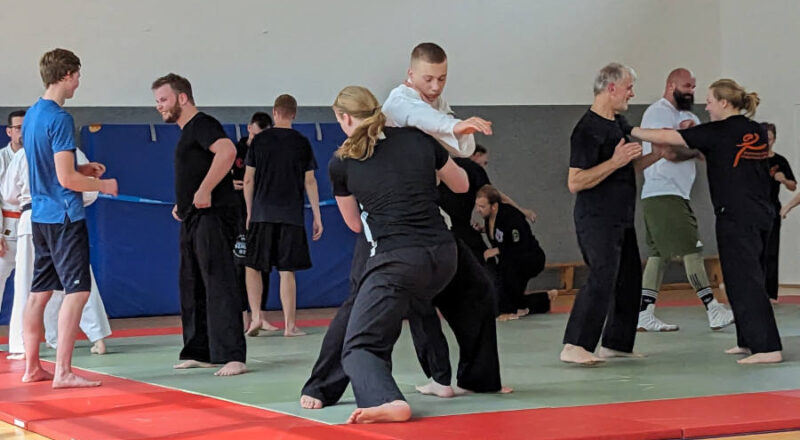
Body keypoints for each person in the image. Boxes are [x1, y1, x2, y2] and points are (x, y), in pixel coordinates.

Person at [300, 43, 509, 409]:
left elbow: (454, 161)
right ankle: (321, 386)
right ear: (410, 76)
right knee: (364, 311)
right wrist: (456, 130)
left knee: (472, 291)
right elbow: (443, 143)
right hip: (385, 237)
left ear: (344, 118)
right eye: (428, 78)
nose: (435, 85)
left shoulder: (419, 124)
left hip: (426, 231)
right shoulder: (400, 106)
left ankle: (470, 378)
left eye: (441, 79)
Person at [328, 85, 467, 424]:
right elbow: (461, 184)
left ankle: (387, 399)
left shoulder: (342, 161)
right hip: (444, 256)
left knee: (358, 345)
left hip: (398, 260)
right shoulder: (419, 140)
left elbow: (355, 226)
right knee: (408, 305)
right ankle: (442, 376)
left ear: (345, 118)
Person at [632, 78, 783, 364]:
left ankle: (768, 348)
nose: (707, 106)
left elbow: (668, 138)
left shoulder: (718, 132)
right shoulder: (756, 131)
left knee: (747, 280)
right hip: (756, 213)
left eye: (711, 101)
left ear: (724, 103)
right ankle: (748, 340)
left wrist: (629, 129)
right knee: (737, 279)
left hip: (738, 215)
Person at [21, 48, 118, 388]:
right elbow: (66, 180)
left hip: (41, 217)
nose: (79, 81)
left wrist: (81, 168)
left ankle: (32, 367)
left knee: (39, 293)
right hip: (64, 215)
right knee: (77, 292)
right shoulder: (60, 118)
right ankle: (62, 371)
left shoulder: (33, 114)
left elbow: (53, 168)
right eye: (77, 75)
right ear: (65, 75)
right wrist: (101, 183)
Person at [561, 63, 660, 365]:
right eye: (629, 87)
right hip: (596, 219)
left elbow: (625, 167)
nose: (633, 92)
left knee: (629, 278)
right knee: (602, 276)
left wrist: (657, 154)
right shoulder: (586, 129)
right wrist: (616, 161)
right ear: (611, 87)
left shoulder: (618, 122)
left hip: (621, 216)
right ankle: (575, 344)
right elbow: (575, 182)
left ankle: (617, 342)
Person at [152, 73, 246, 376]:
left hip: (214, 218)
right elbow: (197, 171)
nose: (159, 107)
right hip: (193, 218)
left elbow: (228, 151)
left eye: (163, 100)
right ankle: (200, 350)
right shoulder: (186, 133)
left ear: (182, 98)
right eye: (156, 102)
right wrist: (186, 201)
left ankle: (233, 355)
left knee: (219, 283)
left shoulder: (203, 124)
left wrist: (204, 190)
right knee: (192, 284)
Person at [636, 68, 734, 332]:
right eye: (687, 86)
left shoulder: (690, 117)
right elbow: (667, 152)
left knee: (658, 255)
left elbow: (704, 150)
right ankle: (713, 308)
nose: (691, 91)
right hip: (662, 191)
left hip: (675, 192)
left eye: (694, 86)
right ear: (671, 85)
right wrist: (691, 148)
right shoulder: (658, 113)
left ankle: (644, 313)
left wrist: (694, 142)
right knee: (693, 249)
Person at [242, 94, 322, 337]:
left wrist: (249, 211)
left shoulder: (259, 141)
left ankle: (256, 316)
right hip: (291, 214)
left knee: (252, 265)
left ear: (275, 113)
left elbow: (248, 179)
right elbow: (310, 180)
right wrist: (317, 216)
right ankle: (290, 325)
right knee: (287, 270)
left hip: (262, 213)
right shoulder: (302, 142)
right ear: (294, 114)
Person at [475, 185, 548, 320]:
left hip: (530, 259)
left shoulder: (512, 218)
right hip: (511, 260)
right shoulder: (489, 216)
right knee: (515, 299)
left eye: (482, 206)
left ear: (494, 206)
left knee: (507, 281)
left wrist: (497, 250)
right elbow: (499, 234)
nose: (478, 210)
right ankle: (545, 299)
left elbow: (520, 245)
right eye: (477, 206)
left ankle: (510, 311)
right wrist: (482, 230)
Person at [231, 112, 275, 330]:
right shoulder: (235, 151)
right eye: (257, 134)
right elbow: (222, 177)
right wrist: (232, 185)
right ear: (249, 128)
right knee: (241, 264)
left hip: (261, 212)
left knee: (262, 263)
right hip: (239, 214)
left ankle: (261, 315)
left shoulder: (267, 152)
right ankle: (243, 316)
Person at [762, 122, 795, 303]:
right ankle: (755, 291)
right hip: (754, 208)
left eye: (770, 139)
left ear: (774, 139)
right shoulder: (752, 160)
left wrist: (783, 180)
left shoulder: (779, 161)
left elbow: (793, 186)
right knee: (754, 250)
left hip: (772, 207)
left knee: (771, 250)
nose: (767, 143)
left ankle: (771, 293)